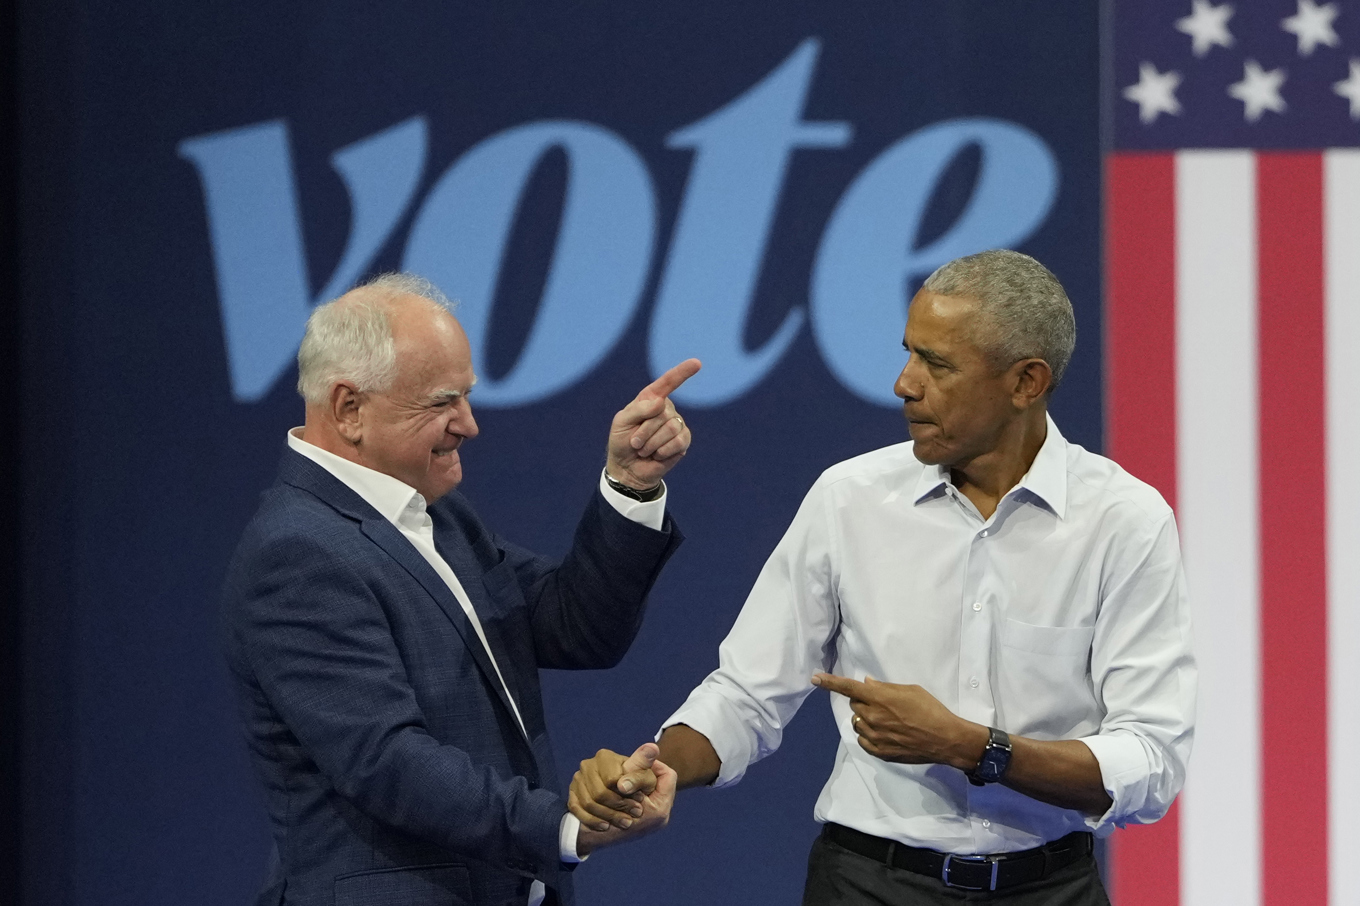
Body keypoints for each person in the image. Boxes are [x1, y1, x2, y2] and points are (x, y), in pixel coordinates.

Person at [569, 250, 1195, 904]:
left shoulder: (1126, 522)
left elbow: (1150, 763)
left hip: (1052, 888)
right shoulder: (850, 498)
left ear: (1025, 383)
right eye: (909, 353)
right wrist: (662, 766)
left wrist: (976, 748)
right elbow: (748, 694)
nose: (904, 383)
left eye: (938, 364)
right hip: (868, 885)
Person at [221, 272, 697, 906]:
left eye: (467, 397)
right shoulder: (298, 552)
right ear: (348, 409)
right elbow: (386, 760)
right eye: (442, 402)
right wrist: (565, 825)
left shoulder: (436, 513)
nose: (469, 425)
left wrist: (630, 485)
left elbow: (576, 627)